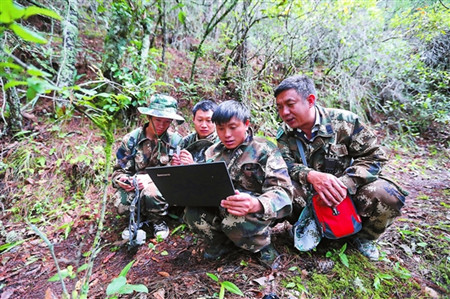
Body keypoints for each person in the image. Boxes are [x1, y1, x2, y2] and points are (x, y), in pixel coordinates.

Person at [274, 75, 408, 260]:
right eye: (280, 107)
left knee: (387, 193)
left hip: (349, 195)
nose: (284, 112)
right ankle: (311, 229)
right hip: (311, 196)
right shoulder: (285, 135)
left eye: (290, 104)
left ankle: (363, 238)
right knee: (279, 190)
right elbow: (284, 165)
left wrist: (345, 183)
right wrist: (311, 175)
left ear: (310, 100)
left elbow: (374, 157)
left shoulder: (345, 122)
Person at [183, 100, 293, 268]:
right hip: (222, 206)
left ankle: (261, 246)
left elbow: (283, 191)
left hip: (256, 212)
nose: (226, 134)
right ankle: (221, 243)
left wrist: (256, 204)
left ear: (246, 124)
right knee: (192, 214)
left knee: (235, 220)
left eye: (233, 127)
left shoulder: (264, 149)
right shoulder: (212, 152)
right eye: (220, 129)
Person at [111, 94, 184, 241]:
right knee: (122, 202)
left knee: (152, 193)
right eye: (158, 120)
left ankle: (158, 222)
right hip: (136, 186)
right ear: (149, 117)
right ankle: (135, 220)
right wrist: (126, 181)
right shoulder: (131, 140)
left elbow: (179, 176)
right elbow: (117, 172)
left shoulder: (176, 141)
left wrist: (151, 179)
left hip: (162, 188)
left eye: (167, 121)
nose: (162, 125)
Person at [172, 99, 218, 165]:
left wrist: (193, 165)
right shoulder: (185, 142)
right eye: (200, 120)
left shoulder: (221, 143)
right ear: (193, 120)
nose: (204, 125)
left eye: (208, 120)